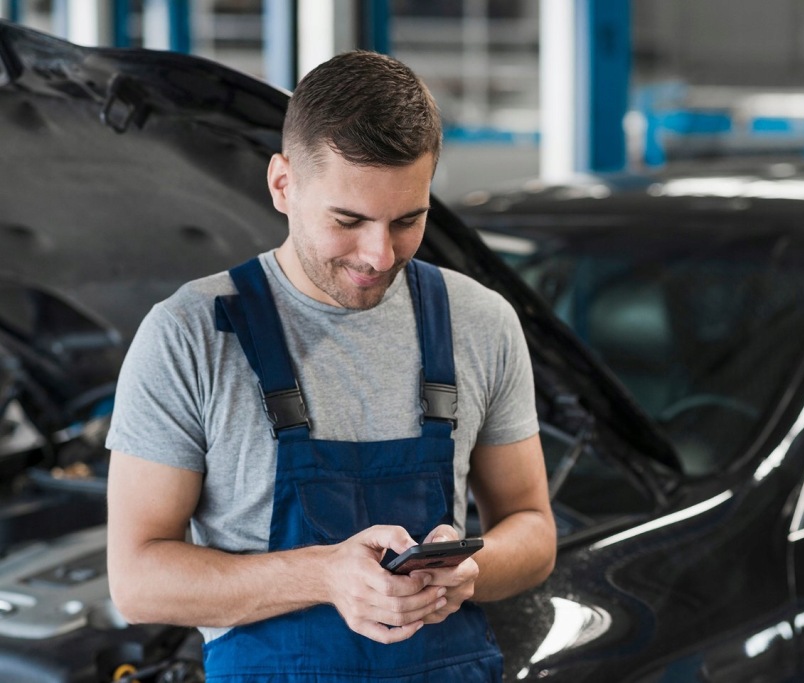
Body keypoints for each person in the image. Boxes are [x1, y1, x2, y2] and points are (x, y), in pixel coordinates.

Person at [106, 50, 556, 682]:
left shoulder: (480, 323)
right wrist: (324, 575)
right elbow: (137, 582)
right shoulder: (189, 336)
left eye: (408, 219)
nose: (379, 254)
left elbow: (532, 531)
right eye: (349, 220)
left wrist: (471, 572)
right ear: (282, 184)